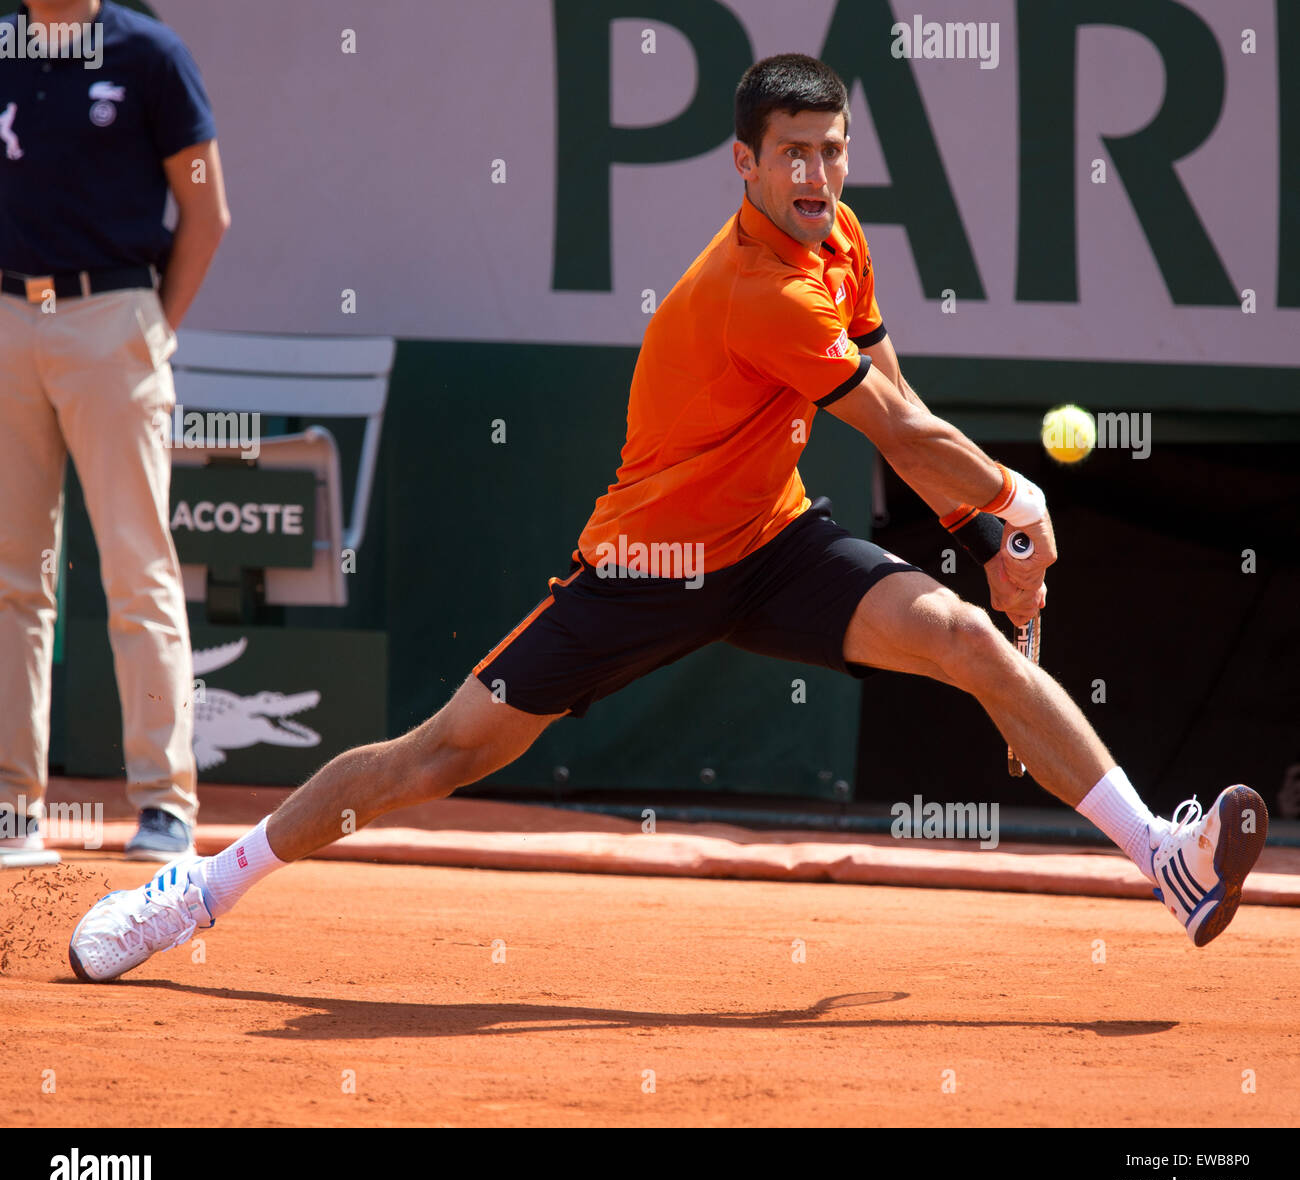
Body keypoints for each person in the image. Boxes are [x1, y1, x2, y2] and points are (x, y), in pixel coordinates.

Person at [68, 53, 1266, 981]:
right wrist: (1011, 497)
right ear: (742, 165)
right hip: (646, 566)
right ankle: (196, 892)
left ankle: (1164, 858)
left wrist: (986, 541)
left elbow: (900, 397)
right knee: (439, 754)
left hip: (778, 543)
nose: (815, 177)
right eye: (792, 154)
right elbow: (898, 440)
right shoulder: (757, 292)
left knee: (961, 642)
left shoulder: (839, 240)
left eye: (832, 152)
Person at [0, 0, 229, 865]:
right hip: (8, 318)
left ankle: (165, 806)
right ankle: (11, 811)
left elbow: (206, 213)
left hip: (114, 318)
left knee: (138, 568)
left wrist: (152, 330)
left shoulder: (151, 54)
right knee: (11, 577)